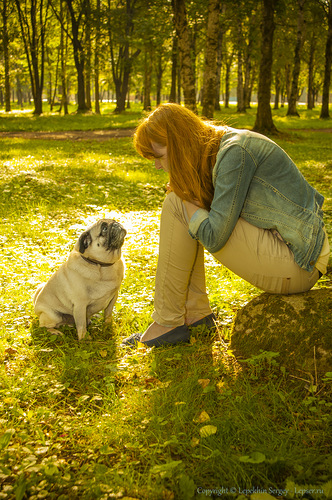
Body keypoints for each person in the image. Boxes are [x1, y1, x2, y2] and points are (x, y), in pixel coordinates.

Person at [121, 103, 330, 348]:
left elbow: (214, 236)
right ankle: (195, 314)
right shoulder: (222, 146)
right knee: (183, 203)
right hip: (293, 255)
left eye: (159, 156)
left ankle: (169, 321)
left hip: (298, 264)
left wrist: (186, 198)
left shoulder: (235, 152)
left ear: (178, 144)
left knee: (178, 203)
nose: (157, 165)